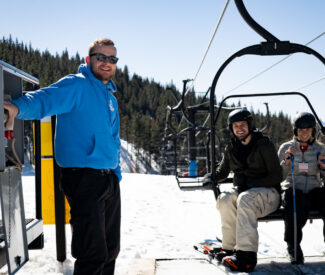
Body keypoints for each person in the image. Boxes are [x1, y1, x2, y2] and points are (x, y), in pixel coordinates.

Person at [4, 38, 121, 275]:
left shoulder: (110, 97)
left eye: (112, 59)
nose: (107, 63)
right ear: (89, 60)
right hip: (84, 178)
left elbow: (114, 138)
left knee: (110, 250)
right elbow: (44, 100)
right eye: (101, 57)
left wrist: (116, 174)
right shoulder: (76, 85)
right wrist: (17, 107)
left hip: (108, 180)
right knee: (92, 254)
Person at [203, 108, 282, 272]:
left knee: (245, 198)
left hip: (269, 194)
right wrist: (210, 177)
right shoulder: (231, 147)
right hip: (246, 192)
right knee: (225, 198)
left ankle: (246, 257)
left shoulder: (263, 145)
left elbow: (276, 176)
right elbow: (222, 172)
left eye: (243, 124)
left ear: (250, 125)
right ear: (231, 128)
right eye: (235, 125)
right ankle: (230, 248)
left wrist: (252, 183)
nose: (239, 128)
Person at [278, 112, 325, 265]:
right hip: (293, 188)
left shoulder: (321, 149)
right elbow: (279, 176)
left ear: (313, 131)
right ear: (295, 130)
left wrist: (323, 167)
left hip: (313, 189)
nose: (304, 133)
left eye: (308, 129)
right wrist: (286, 162)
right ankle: (293, 246)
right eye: (300, 129)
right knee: (294, 203)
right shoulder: (286, 147)